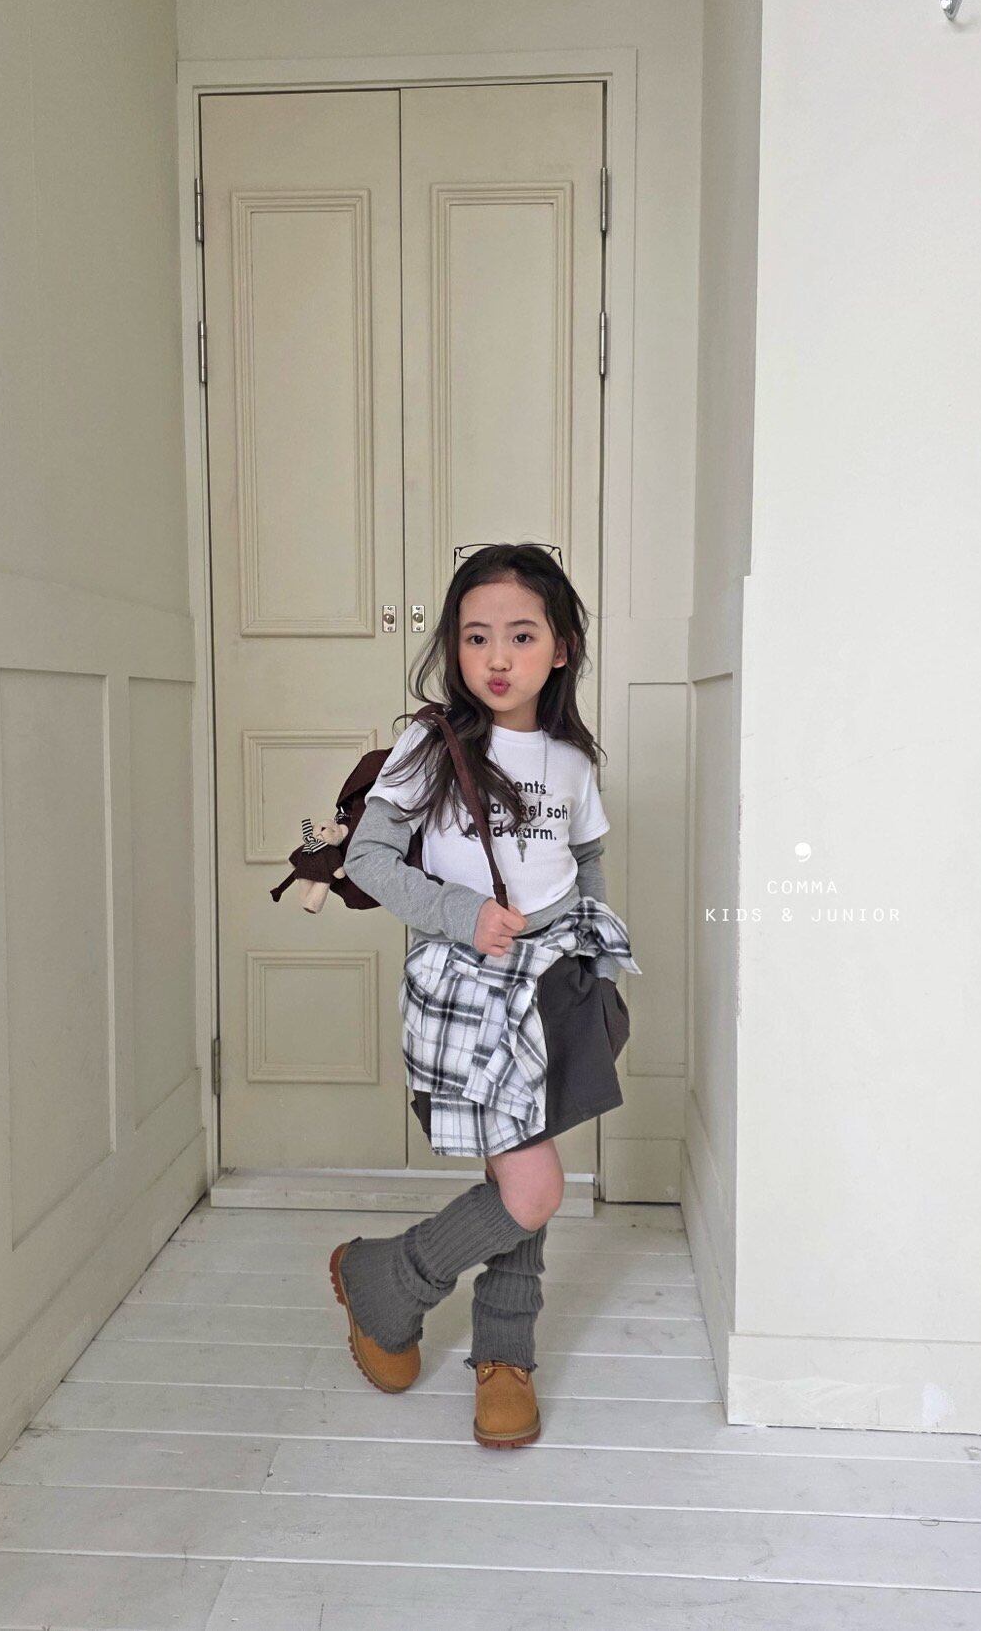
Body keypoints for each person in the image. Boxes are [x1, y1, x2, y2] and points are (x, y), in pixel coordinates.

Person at [328, 541, 639, 1449]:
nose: (497, 657)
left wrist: (599, 964)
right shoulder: (432, 746)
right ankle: (393, 1280)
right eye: (475, 637)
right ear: (453, 648)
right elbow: (367, 858)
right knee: (534, 1186)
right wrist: (461, 915)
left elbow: (585, 860)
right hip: (467, 988)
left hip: (553, 985)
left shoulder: (571, 759)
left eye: (521, 635)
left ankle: (502, 1353)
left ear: (562, 646)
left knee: (517, 1169)